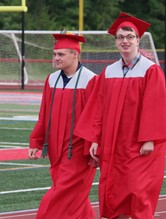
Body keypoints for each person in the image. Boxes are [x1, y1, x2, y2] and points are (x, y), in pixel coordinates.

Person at [74, 12, 166, 219]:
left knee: (137, 190)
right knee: (114, 190)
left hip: (139, 144)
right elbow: (97, 108)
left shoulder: (150, 70)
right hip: (113, 143)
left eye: (129, 37)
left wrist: (150, 139)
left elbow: (155, 106)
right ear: (116, 42)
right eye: (120, 37)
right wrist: (94, 138)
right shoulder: (109, 72)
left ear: (138, 40)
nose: (125, 41)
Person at [28, 32, 97, 219]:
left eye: (60, 54)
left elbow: (98, 118)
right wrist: (36, 141)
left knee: (59, 196)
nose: (55, 58)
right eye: (54, 54)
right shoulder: (52, 80)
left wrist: (96, 145)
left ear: (75, 54)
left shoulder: (91, 80)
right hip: (55, 149)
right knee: (75, 198)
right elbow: (44, 115)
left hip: (79, 150)